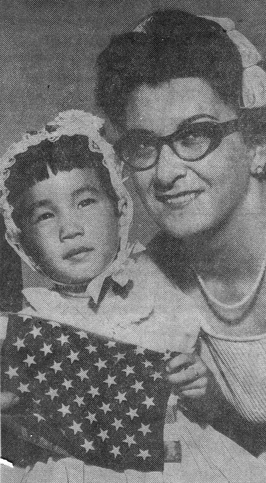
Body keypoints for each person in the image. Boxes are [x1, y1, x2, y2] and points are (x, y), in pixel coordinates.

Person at [95, 9, 266, 482]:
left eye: (193, 135)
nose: (164, 174)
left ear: (256, 145)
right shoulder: (148, 280)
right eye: (144, 145)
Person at [0, 110, 202, 483]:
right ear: (22, 243)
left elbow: (199, 369)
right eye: (45, 216)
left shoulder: (159, 283)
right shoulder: (31, 322)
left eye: (85, 202)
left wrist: (197, 379)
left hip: (169, 462)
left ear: (120, 208)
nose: (70, 229)